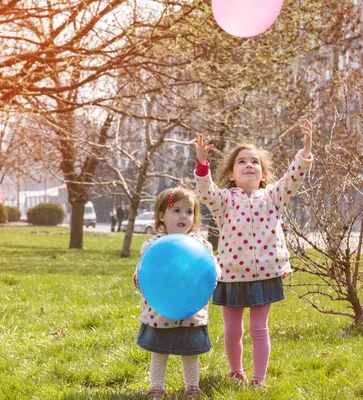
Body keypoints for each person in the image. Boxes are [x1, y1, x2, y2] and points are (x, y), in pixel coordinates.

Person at [192, 119, 314, 389]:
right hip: (231, 275)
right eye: (242, 162)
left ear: (263, 174)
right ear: (232, 174)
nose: (249, 165)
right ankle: (236, 371)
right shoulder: (223, 200)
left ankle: (259, 379)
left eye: (255, 162)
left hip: (265, 274)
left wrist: (304, 153)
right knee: (232, 330)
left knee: (260, 329)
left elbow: (293, 178)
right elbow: (205, 191)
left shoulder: (272, 197)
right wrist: (202, 164)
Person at [133, 187, 221, 399]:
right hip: (160, 311)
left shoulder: (201, 244)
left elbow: (211, 268)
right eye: (176, 210)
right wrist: (138, 279)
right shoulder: (152, 245)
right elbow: (143, 271)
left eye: (189, 211)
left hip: (191, 311)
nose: (183, 216)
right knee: (159, 351)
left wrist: (214, 277)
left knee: (190, 352)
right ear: (162, 215)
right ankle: (156, 388)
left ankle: (192, 387)